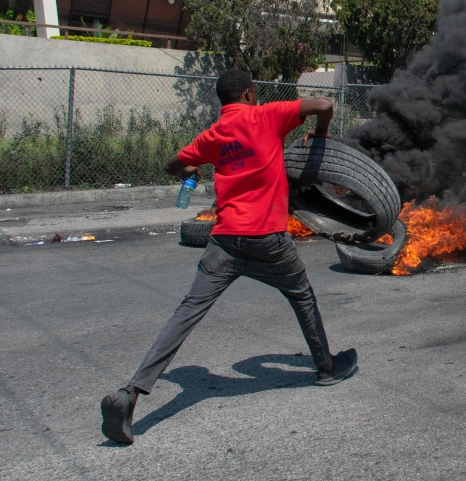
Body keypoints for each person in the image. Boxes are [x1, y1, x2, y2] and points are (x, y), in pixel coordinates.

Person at [100, 69, 357, 445]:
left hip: (224, 242)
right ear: (251, 94)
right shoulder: (267, 115)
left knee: (187, 312)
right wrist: (320, 132)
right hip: (267, 238)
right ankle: (326, 367)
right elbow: (324, 103)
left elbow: (173, 165)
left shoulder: (212, 136)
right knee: (301, 296)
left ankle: (132, 392)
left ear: (222, 101)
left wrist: (196, 167)